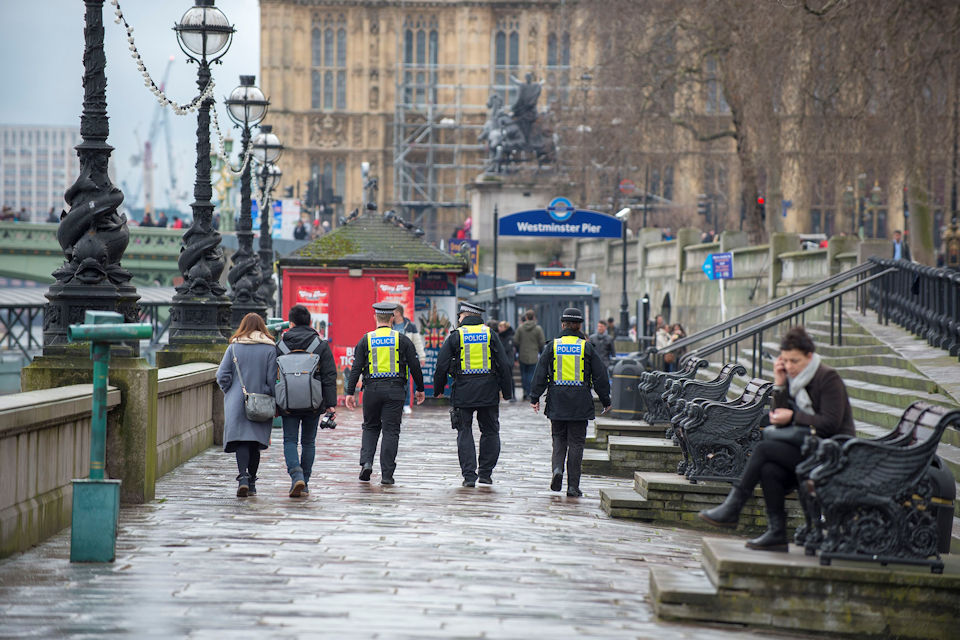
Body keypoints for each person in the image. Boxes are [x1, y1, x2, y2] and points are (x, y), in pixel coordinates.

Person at [698, 326, 854, 551]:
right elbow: (776, 418)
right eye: (786, 361)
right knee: (770, 469)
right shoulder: (794, 379)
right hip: (808, 448)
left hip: (833, 453)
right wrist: (780, 383)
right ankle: (777, 533)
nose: (789, 366)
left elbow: (831, 423)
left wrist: (794, 416)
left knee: (764, 450)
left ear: (809, 357)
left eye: (795, 361)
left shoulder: (827, 378)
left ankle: (734, 506)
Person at [529, 308, 611, 497]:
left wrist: (534, 397)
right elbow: (600, 377)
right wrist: (606, 400)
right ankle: (573, 487)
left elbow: (540, 374)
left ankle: (557, 469)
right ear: (579, 326)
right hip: (580, 402)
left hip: (557, 400)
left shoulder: (552, 346)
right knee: (576, 443)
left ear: (563, 325)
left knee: (558, 439)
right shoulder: (587, 347)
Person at [433, 301, 513, 487]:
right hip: (488, 391)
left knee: (464, 432)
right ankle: (485, 473)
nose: (459, 319)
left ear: (466, 315)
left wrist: (438, 389)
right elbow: (504, 364)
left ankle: (469, 476)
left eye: (460, 316)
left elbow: (441, 365)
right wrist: (507, 392)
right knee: (490, 431)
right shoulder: (490, 334)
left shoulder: (455, 336)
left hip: (463, 392)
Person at [345, 302, 425, 485]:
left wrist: (350, 392)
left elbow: (356, 367)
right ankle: (387, 475)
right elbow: (415, 366)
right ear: (392, 318)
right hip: (395, 391)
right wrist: (420, 389)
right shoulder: (402, 340)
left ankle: (366, 463)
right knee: (391, 431)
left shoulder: (366, 339)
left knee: (370, 427)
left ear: (375, 318)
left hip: (371, 391)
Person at [277, 304, 338, 497]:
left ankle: (296, 476)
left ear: (291, 323)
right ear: (310, 322)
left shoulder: (281, 345)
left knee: (289, 440)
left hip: (287, 403)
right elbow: (329, 375)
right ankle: (306, 481)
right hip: (314, 402)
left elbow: (271, 374)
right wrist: (330, 404)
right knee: (309, 442)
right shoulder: (320, 344)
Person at [215, 313, 279, 497]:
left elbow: (221, 375)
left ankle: (243, 476)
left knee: (241, 440)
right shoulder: (269, 349)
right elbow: (271, 379)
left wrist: (230, 390)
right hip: (260, 400)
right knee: (255, 441)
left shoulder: (234, 347)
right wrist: (271, 398)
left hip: (237, 401)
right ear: (262, 328)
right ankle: (251, 482)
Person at [392, 304, 426, 415]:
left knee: (406, 382)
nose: (392, 314)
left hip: (406, 359)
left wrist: (422, 356)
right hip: (392, 358)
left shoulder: (410, 326)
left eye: (394, 311)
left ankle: (406, 405)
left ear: (399, 312)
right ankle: (394, 404)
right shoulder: (390, 325)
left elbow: (417, 342)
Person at [514, 310, 545, 401]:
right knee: (532, 374)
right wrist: (539, 350)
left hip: (522, 355)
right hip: (534, 355)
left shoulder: (520, 328)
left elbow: (516, 341)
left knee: (524, 374)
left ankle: (525, 392)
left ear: (526, 317)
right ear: (534, 317)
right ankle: (530, 392)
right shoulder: (538, 329)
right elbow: (541, 342)